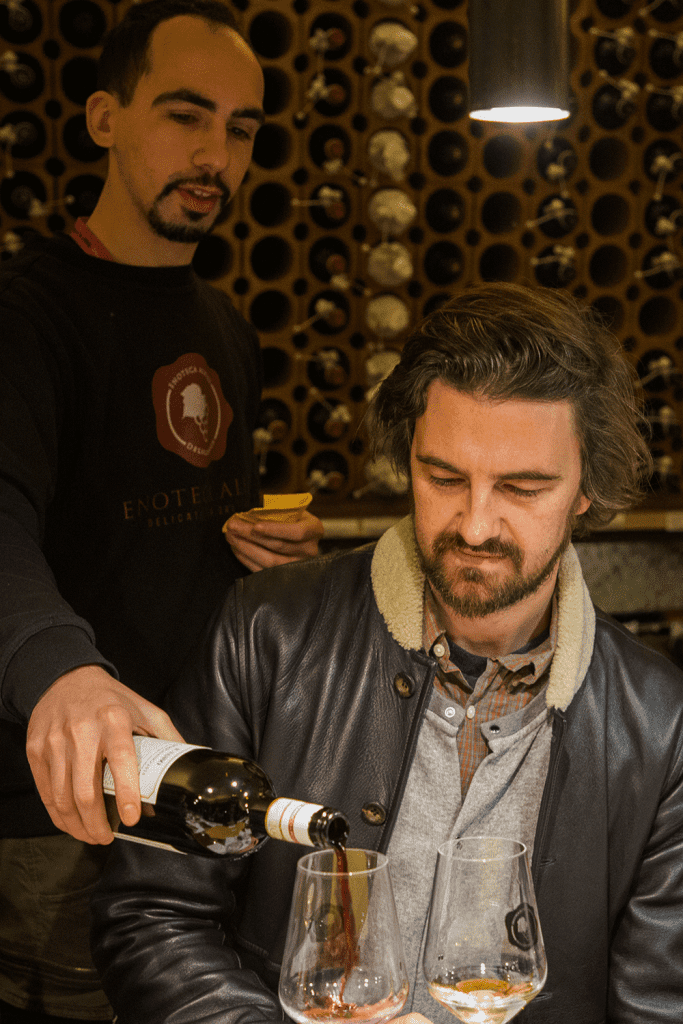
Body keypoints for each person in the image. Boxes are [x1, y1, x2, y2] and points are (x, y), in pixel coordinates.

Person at [91, 282, 683, 1024]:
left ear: (586, 490)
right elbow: (149, 915)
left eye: (523, 488)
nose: (473, 525)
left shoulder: (662, 728)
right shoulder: (266, 633)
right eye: (441, 478)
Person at [0, 0, 323, 1018]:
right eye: (185, 115)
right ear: (103, 116)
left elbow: (167, 526)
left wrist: (259, 555)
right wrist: (63, 669)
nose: (215, 154)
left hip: (196, 800)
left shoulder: (225, 325)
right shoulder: (24, 315)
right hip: (60, 820)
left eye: (239, 127)